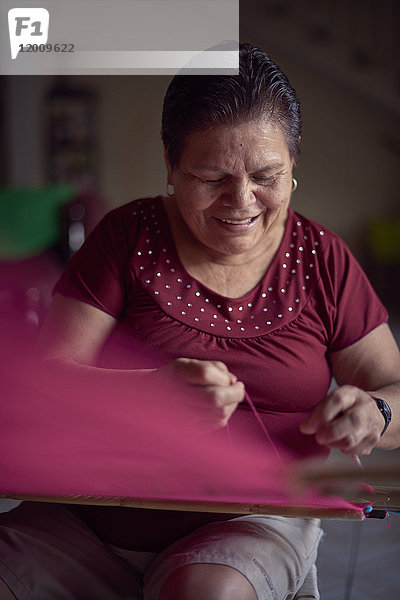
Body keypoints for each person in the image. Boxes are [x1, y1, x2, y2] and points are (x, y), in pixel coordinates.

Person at [0, 43, 399, 600]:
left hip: (250, 525)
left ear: (294, 165)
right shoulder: (126, 237)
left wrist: (375, 413)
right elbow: (45, 387)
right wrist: (149, 396)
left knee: (202, 591)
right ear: (170, 164)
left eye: (267, 175)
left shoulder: (321, 259)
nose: (241, 201)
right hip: (86, 521)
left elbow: (395, 393)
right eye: (211, 176)